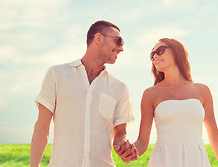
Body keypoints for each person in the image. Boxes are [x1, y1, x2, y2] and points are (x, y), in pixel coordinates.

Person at [30, 20, 138, 167]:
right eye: (118, 41)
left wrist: (124, 149)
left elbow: (120, 133)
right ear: (98, 38)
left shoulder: (119, 88)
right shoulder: (57, 74)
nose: (122, 48)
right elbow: (42, 126)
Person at [115, 38, 218, 167]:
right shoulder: (150, 94)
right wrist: (130, 152)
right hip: (163, 161)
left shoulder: (202, 90)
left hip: (196, 160)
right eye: (152, 54)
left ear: (176, 52)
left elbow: (214, 137)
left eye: (160, 50)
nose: (155, 56)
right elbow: (142, 142)